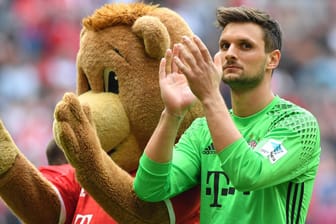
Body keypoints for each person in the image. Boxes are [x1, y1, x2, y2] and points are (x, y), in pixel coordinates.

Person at [133, 6, 321, 224]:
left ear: (273, 59)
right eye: (224, 45)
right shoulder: (202, 130)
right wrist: (172, 113)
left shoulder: (298, 123)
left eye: (245, 46)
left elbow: (249, 174)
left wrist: (210, 96)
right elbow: (149, 188)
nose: (230, 53)